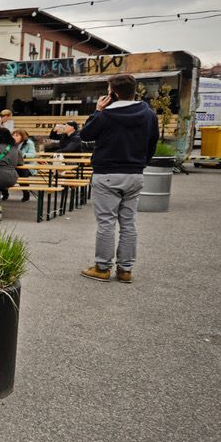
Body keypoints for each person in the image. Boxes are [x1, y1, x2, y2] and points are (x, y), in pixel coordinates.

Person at [78, 73, 159, 284]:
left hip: (107, 174)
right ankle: (125, 270)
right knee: (129, 223)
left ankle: (102, 268)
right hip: (134, 174)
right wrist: (140, 163)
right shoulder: (149, 114)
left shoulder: (105, 115)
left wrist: (97, 111)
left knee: (106, 223)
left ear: (112, 93)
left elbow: (86, 135)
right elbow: (152, 143)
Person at [12, 129, 37, 202]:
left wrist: (22, 155)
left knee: (22, 172)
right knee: (3, 171)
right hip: (13, 164)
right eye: (13, 135)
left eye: (17, 135)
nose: (14, 137)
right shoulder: (11, 143)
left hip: (26, 165)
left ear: (22, 136)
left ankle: (25, 192)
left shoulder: (29, 143)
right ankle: (4, 191)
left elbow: (32, 154)